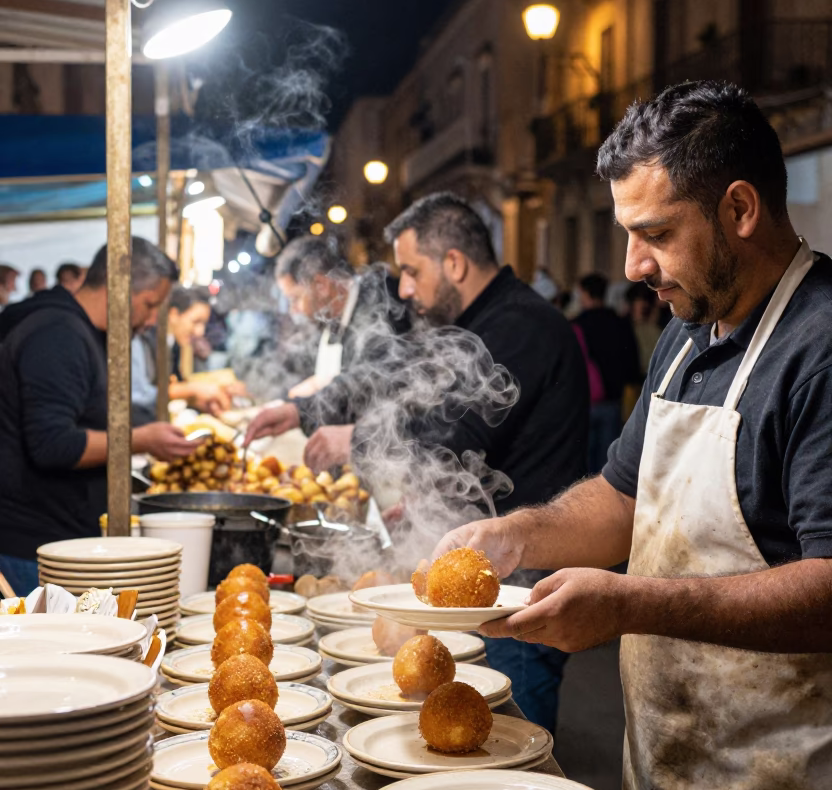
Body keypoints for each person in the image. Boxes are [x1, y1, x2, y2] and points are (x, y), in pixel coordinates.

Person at [435, 81, 832, 790]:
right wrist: (514, 537)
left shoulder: (819, 348)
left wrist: (626, 605)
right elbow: (621, 499)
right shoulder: (689, 331)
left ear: (738, 210)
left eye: (652, 231)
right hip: (667, 779)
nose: (630, 264)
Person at [246, 193, 589, 730]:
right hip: (475, 575)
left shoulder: (522, 326)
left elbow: (456, 435)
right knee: (462, 732)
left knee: (511, 746)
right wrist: (301, 410)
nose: (403, 288)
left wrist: (355, 441)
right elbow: (385, 376)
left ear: (453, 262)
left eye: (411, 271)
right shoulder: (465, 322)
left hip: (518, 588)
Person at [0, 237, 194, 594]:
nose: (152, 321)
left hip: (57, 538)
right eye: (149, 305)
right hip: (34, 550)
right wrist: (143, 439)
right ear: (119, 287)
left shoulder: (81, 331)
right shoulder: (57, 335)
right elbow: (53, 444)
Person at [274, 235, 406, 399]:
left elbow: (370, 381)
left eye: (295, 299)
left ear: (321, 285)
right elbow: (301, 366)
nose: (293, 311)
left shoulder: (380, 305)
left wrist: (309, 402)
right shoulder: (327, 317)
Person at [131, 285, 236, 422]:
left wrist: (198, 400)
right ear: (174, 314)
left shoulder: (175, 345)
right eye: (196, 322)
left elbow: (175, 382)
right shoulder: (142, 339)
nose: (200, 332)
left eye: (204, 324)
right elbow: (140, 394)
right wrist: (192, 390)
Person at [573, 272, 641, 471]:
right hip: (613, 399)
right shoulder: (619, 323)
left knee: (583, 461)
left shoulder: (577, 324)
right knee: (607, 462)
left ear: (584, 294)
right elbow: (632, 361)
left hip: (584, 401)